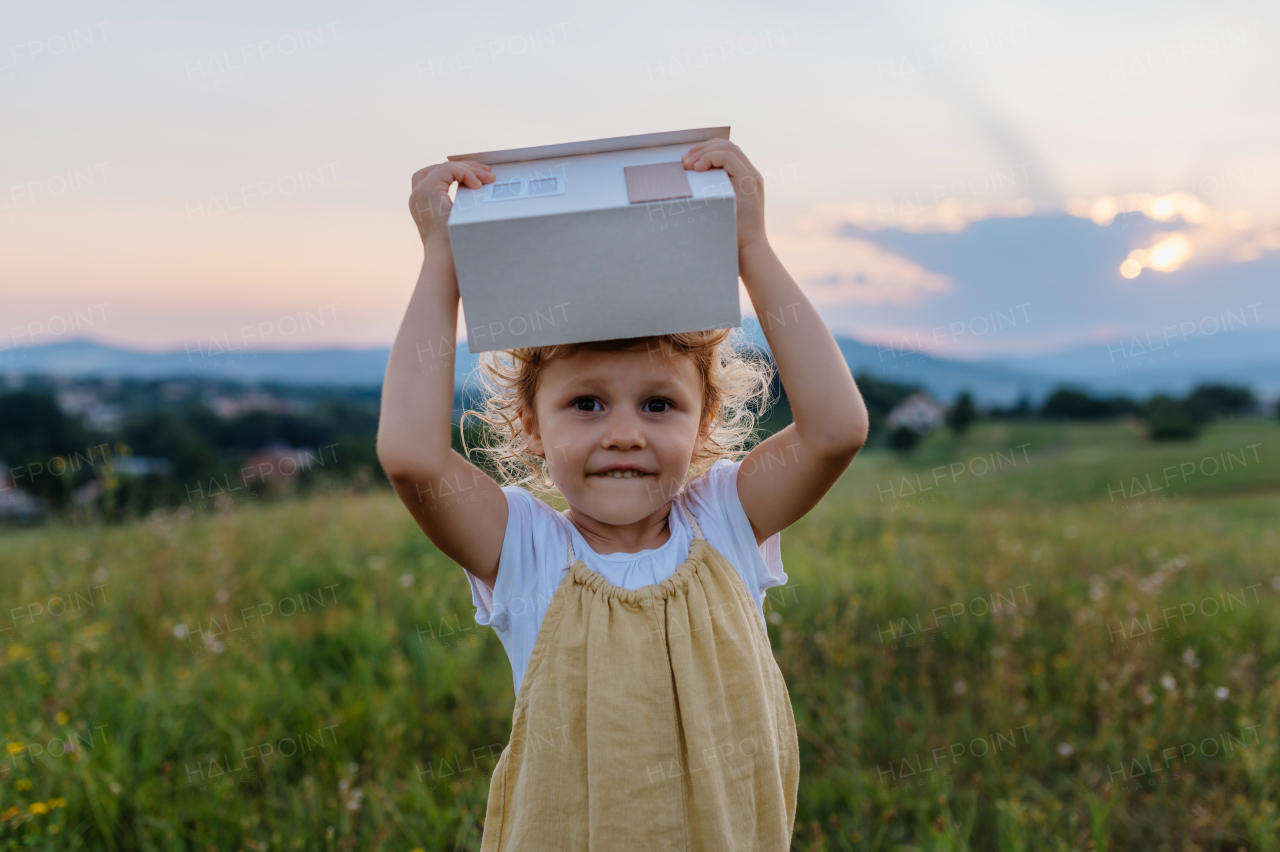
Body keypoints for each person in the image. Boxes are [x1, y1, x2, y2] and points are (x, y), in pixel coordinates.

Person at [378, 139, 869, 850]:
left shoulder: (724, 520)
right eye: (585, 404)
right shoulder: (527, 549)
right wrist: (444, 264)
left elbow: (836, 431)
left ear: (703, 423)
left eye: (658, 405)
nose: (624, 434)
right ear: (530, 427)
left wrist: (751, 247)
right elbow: (413, 459)